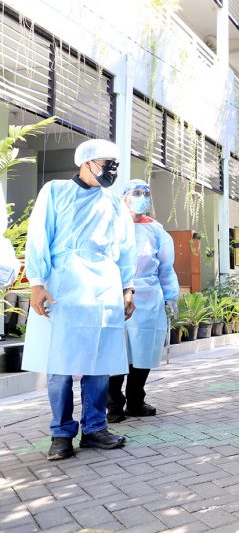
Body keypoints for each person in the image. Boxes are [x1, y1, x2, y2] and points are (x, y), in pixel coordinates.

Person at [22, 139, 137, 460]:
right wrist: (37, 282)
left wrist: (128, 287)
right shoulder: (55, 191)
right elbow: (39, 235)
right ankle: (60, 434)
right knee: (60, 362)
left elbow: (126, 246)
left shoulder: (113, 202)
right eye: (105, 164)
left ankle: (95, 428)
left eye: (115, 165)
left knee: (99, 362)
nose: (111, 171)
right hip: (64, 284)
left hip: (104, 285)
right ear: (85, 162)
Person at [107, 179, 180, 423]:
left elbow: (166, 268)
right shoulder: (113, 226)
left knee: (143, 351)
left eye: (146, 193)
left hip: (148, 295)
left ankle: (136, 400)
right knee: (116, 352)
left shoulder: (156, 230)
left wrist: (171, 295)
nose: (142, 197)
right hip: (116, 293)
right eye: (136, 193)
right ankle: (113, 404)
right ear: (124, 196)